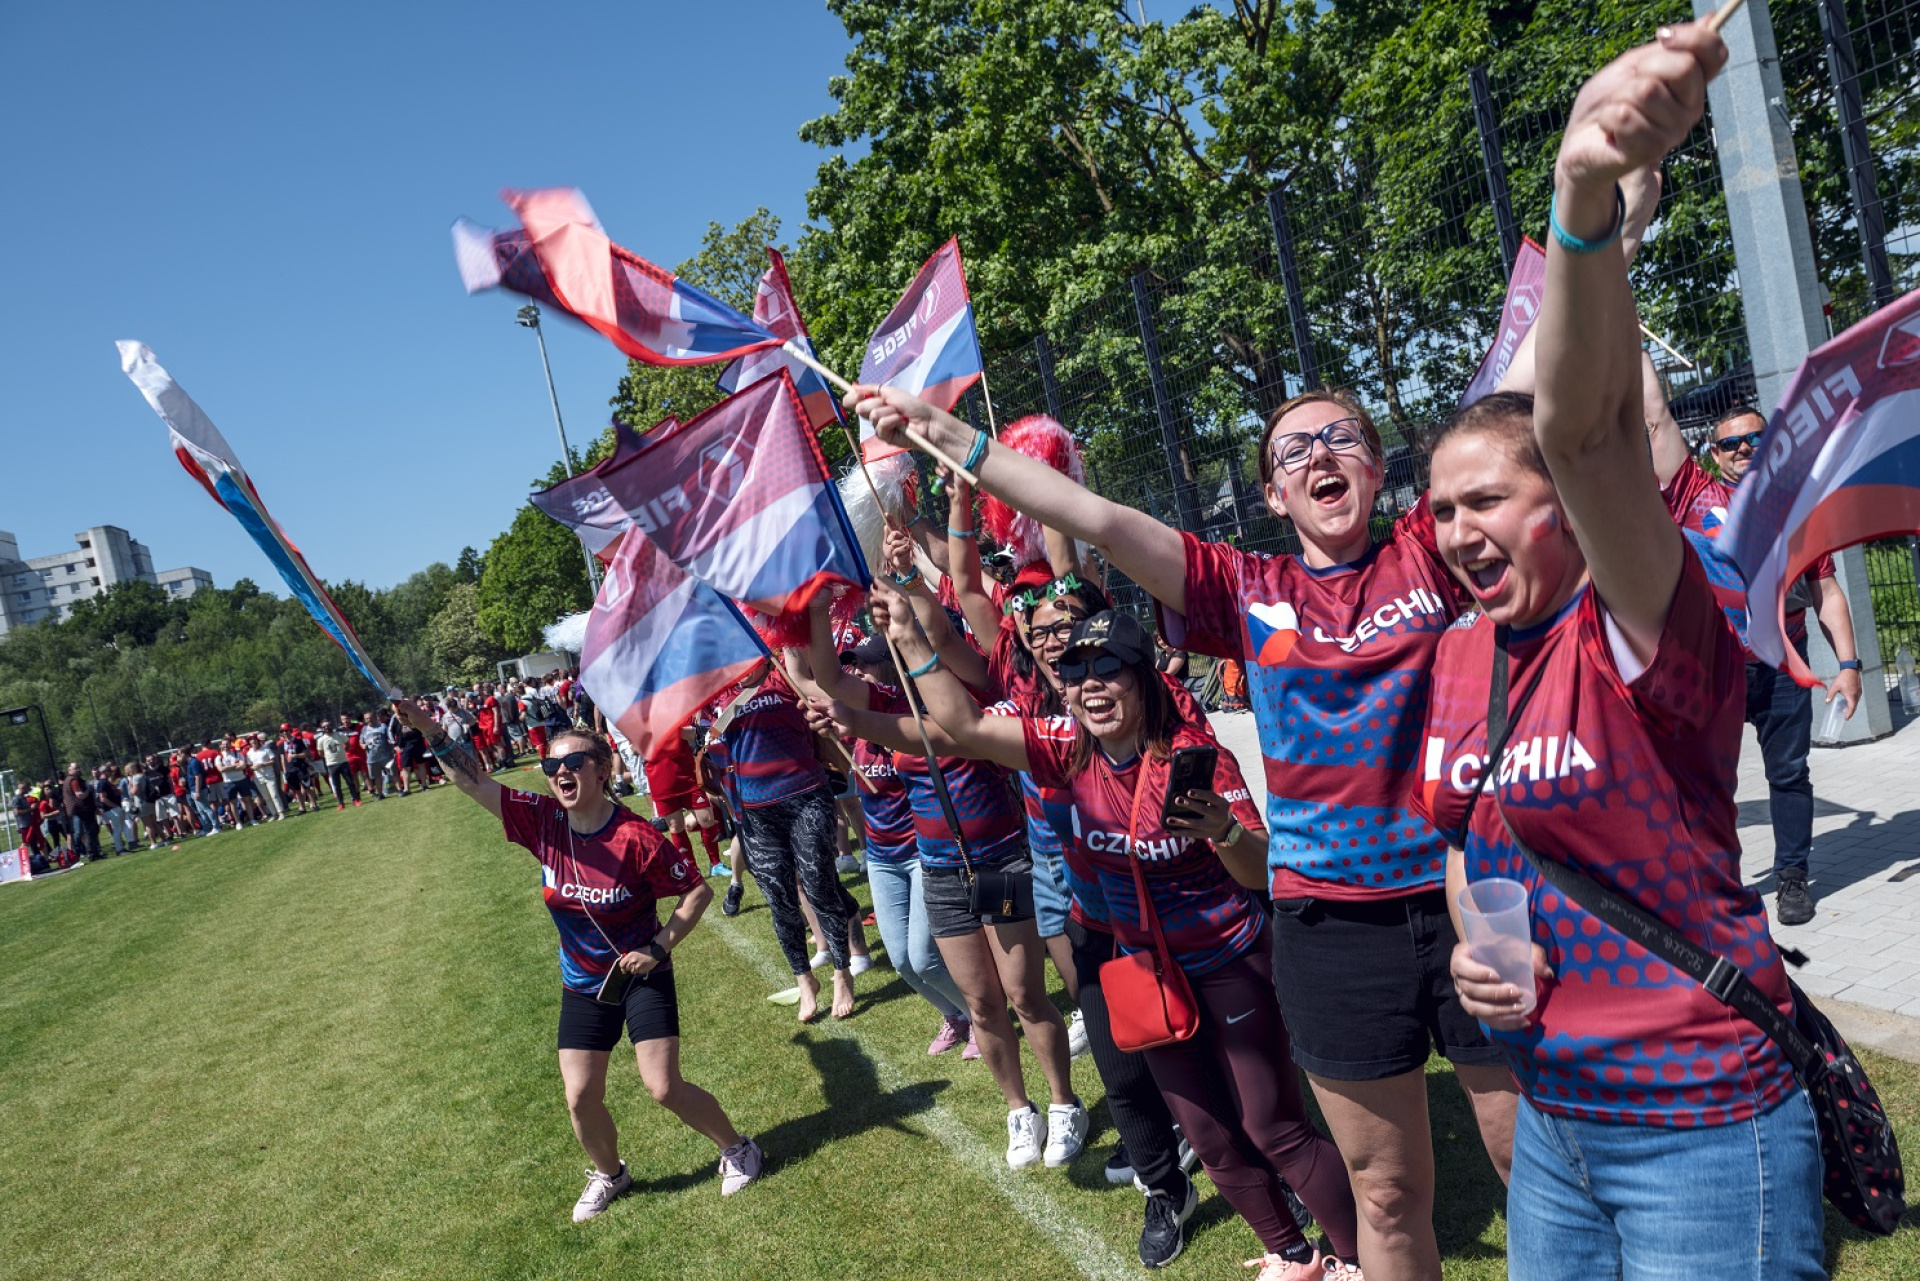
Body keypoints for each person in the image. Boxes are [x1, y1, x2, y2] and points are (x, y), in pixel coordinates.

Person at [847, 358, 1516, 1279]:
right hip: (1328, 921)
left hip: (1462, 900)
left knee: (1529, 1158)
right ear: (1273, 492)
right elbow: (1098, 521)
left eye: (1342, 437)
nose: (1321, 454)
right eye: (1295, 449)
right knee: (1389, 1196)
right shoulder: (1245, 585)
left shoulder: (1426, 551)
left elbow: (1526, 404)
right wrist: (945, 434)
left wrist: (1600, 234)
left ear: (1379, 465)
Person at [1416, 22, 1824, 1278]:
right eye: (1438, 509)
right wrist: (1476, 951)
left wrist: (1585, 199)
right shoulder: (1459, 657)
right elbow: (1458, 833)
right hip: (1555, 1126)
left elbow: (1591, 437)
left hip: (1702, 1124)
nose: (1456, 530)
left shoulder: (1648, 621)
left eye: (1487, 500)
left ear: (1572, 516)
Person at [891, 605, 1362, 1278]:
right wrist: (911, 639)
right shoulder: (1067, 751)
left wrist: (1225, 831)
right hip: (1146, 976)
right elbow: (962, 725)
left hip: (1231, 958)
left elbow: (1262, 870)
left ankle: (1357, 1259)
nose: (1092, 685)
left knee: (1273, 1128)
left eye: (1109, 668)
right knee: (1210, 1139)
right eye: (1076, 674)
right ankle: (1294, 1256)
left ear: (1143, 678)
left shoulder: (1198, 757)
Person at [388, 698, 764, 1217]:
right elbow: (473, 780)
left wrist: (658, 949)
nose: (560, 772)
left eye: (573, 763)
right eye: (551, 765)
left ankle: (739, 1148)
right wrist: (429, 726)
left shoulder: (637, 837)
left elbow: (695, 893)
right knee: (580, 1096)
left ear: (603, 771)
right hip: (582, 983)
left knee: (662, 1087)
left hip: (641, 977)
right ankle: (611, 1175)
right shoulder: (542, 820)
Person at [806, 580, 1087, 1174]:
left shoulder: (972, 690)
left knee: (1023, 994)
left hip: (999, 860)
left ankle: (1064, 1101)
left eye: (902, 644)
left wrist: (907, 588)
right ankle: (1019, 1108)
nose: (893, 657)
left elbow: (932, 721)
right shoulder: (885, 704)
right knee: (982, 1006)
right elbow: (826, 679)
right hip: (941, 871)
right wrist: (808, 606)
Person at [1659, 405, 1863, 924]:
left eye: (1756, 438)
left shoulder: (1796, 509)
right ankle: (1713, 881)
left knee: (1790, 775)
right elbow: (1656, 418)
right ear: (1713, 452)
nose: (1745, 448)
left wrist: (1849, 664)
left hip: (1782, 664)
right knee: (1705, 782)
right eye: (1731, 443)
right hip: (1713, 669)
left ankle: (1792, 878)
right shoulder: (1690, 495)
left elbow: (1826, 591)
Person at [811, 619, 976, 1059]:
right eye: (855, 666)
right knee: (901, 961)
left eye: (866, 665)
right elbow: (819, 686)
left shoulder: (909, 717)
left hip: (925, 853)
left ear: (892, 667)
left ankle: (981, 1020)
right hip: (881, 857)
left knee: (925, 958)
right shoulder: (859, 727)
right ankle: (956, 1016)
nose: (859, 672)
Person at [705, 662, 861, 1024]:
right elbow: (716, 748)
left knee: (820, 887)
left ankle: (842, 972)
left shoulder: (784, 675)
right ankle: (805, 980)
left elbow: (819, 702)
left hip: (806, 796)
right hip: (756, 812)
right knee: (780, 899)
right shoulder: (721, 694)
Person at [315, 721, 360, 809]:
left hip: (343, 762)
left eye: (328, 726)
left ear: (331, 726)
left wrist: (344, 751)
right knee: (336, 785)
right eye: (324, 727)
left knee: (350, 782)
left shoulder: (339, 735)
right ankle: (341, 803)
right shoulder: (321, 740)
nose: (326, 728)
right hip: (331, 765)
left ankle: (355, 799)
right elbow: (320, 752)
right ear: (322, 729)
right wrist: (327, 757)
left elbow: (347, 744)